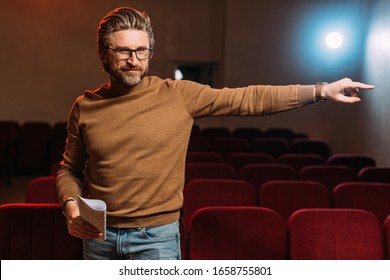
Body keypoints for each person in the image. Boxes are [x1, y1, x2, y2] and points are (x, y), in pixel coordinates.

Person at [56, 6, 374, 260]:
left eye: (142, 51)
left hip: (155, 239)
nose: (134, 61)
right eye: (123, 52)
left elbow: (251, 99)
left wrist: (320, 90)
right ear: (103, 53)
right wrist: (72, 205)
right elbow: (69, 170)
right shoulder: (86, 105)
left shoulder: (177, 94)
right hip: (97, 235)